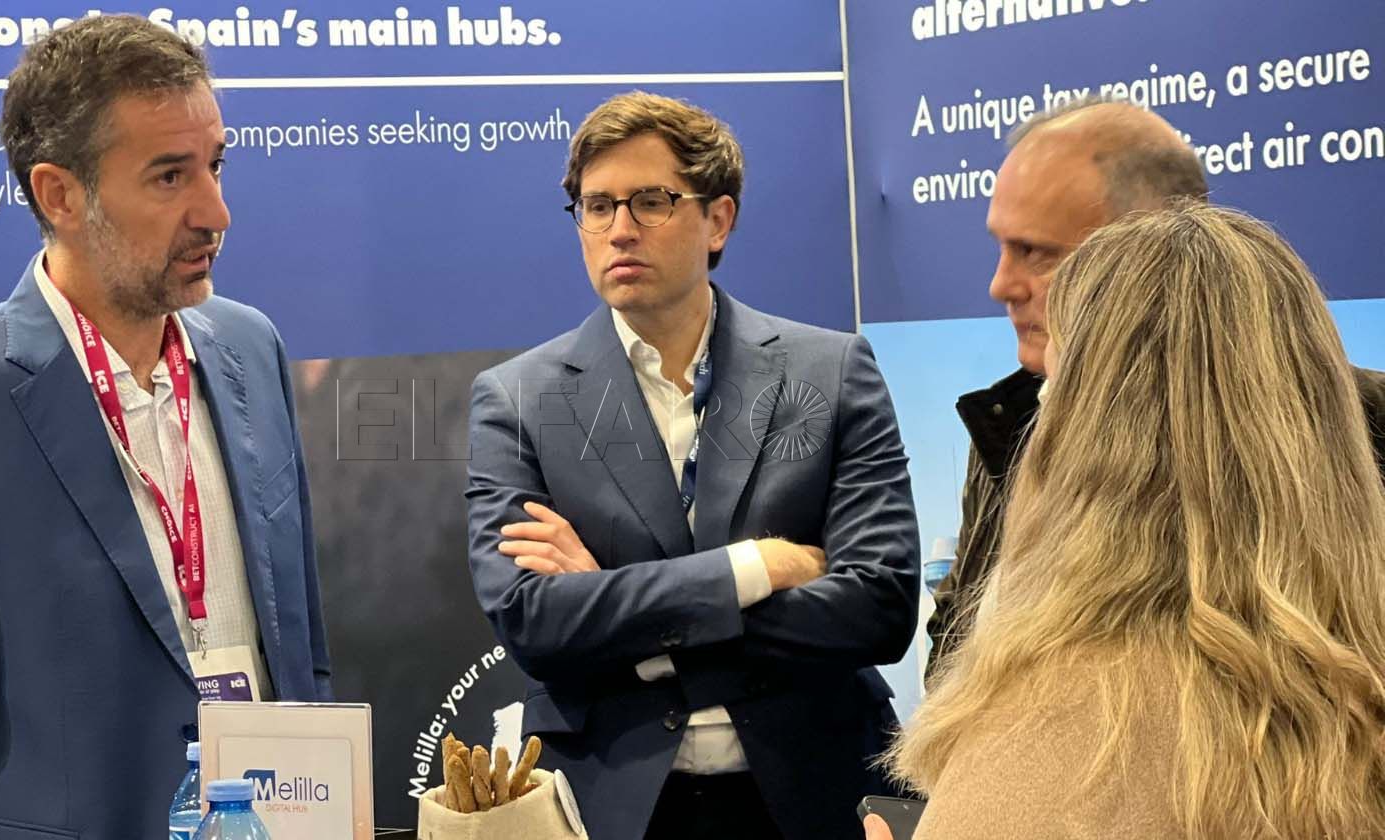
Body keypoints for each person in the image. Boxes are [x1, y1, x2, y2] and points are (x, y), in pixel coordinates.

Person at [0, 16, 332, 839]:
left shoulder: (251, 347)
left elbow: (300, 657)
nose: (216, 212)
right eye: (169, 177)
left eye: (214, 165)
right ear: (59, 194)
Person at [464, 91, 921, 840]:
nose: (619, 229)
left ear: (718, 219)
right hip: (615, 804)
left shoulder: (832, 370)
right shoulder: (517, 398)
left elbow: (879, 606)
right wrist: (754, 568)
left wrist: (618, 612)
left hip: (815, 790)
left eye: (651, 202)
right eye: (597, 206)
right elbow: (534, 622)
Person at [876, 203, 1385, 838]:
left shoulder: (1045, 738)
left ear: (1083, 431)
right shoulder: (1352, 695)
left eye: (1051, 392)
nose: (1003, 284)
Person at [926, 98, 1385, 671]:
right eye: (1001, 246)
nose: (1001, 285)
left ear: (1153, 248)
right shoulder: (1011, 422)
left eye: (1035, 253)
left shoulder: (1363, 425)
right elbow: (954, 648)